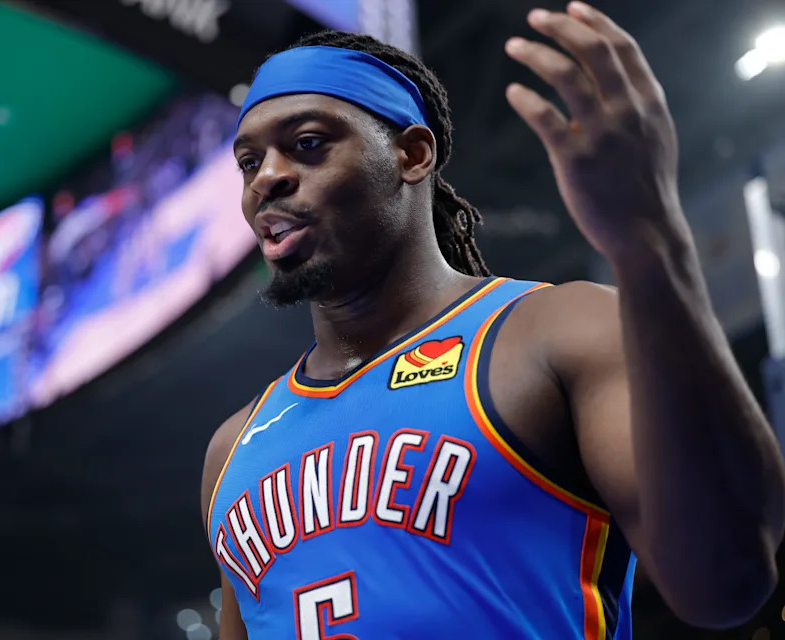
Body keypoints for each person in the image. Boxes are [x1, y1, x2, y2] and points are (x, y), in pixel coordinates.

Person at [200, 3, 785, 638]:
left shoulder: (555, 332)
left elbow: (727, 582)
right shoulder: (234, 449)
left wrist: (651, 241)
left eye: (307, 145)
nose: (269, 179)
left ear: (412, 154)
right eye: (249, 162)